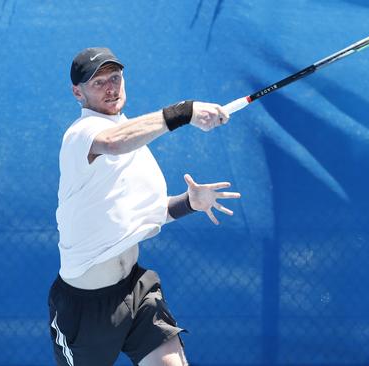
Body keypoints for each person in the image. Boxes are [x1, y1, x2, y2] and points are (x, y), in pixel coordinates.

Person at [49, 47, 241, 366]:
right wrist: (184, 111)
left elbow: (146, 215)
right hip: (83, 307)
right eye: (98, 82)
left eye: (115, 77)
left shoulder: (133, 139)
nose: (111, 86)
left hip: (136, 290)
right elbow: (113, 142)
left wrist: (190, 203)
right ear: (77, 92)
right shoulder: (81, 134)